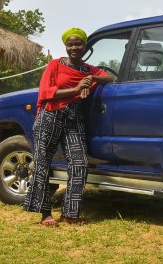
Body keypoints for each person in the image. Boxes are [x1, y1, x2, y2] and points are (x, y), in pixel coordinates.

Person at [23, 27, 115, 227]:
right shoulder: (55, 65)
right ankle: (45, 213)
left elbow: (110, 78)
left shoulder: (88, 69)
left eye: (78, 44)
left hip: (74, 117)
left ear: (84, 46)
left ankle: (70, 214)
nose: (74, 48)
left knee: (80, 162)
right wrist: (77, 88)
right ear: (65, 46)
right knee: (42, 163)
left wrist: (92, 79)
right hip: (51, 115)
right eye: (70, 44)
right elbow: (47, 92)